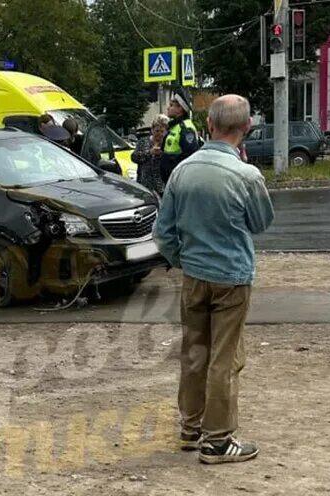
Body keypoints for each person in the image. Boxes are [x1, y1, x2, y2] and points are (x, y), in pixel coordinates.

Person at [154, 94, 275, 464]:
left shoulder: (182, 171)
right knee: (225, 358)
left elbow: (163, 232)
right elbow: (261, 223)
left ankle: (190, 428)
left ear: (209, 126)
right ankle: (218, 441)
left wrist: (184, 260)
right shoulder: (246, 175)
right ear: (247, 128)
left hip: (194, 277)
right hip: (232, 279)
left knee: (194, 352)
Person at [160, 88, 201, 185]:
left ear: (180, 109)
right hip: (171, 180)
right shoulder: (174, 126)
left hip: (180, 180)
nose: (168, 108)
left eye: (171, 106)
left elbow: (190, 155)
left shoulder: (186, 128)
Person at [131, 114, 170, 198]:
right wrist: (150, 152)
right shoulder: (143, 142)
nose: (159, 134)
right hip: (144, 185)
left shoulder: (168, 144)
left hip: (161, 187)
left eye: (162, 131)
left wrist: (163, 154)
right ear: (152, 130)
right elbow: (134, 157)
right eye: (157, 131)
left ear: (166, 131)